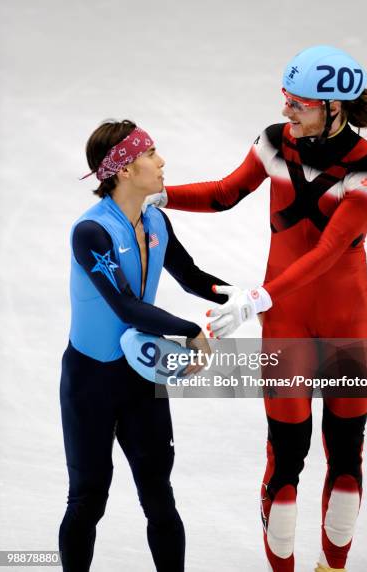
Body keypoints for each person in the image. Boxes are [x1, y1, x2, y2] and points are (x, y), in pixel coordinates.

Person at [146, 46, 367, 571]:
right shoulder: (275, 141)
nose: (286, 111)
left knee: (345, 463)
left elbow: (331, 252)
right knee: (286, 462)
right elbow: (222, 193)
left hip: (330, 318)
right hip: (291, 317)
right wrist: (162, 195)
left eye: (298, 103)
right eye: (285, 99)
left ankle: (334, 566)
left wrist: (259, 296)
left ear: (333, 106)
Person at [59, 119, 229, 572]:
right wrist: (190, 330)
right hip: (90, 381)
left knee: (159, 496)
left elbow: (192, 278)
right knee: (88, 499)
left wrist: (248, 299)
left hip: (138, 378)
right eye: (151, 154)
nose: (162, 161)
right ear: (124, 170)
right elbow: (127, 308)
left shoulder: (155, 218)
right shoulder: (91, 232)